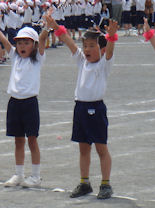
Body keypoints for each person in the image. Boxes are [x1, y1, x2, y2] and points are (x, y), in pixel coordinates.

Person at [44, 14, 118, 199]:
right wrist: (54, 26)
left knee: (101, 148)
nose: (87, 49)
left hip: (96, 109)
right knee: (83, 148)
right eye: (85, 46)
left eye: (92, 46)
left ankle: (106, 184)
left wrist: (111, 37)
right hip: (80, 108)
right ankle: (84, 182)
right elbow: (68, 41)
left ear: (100, 49)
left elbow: (109, 52)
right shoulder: (82, 61)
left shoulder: (103, 64)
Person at [0, 12, 48, 188]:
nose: (22, 46)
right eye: (19, 42)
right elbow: (4, 40)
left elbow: (42, 41)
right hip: (14, 103)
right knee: (18, 140)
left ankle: (35, 176)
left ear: (33, 45)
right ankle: (19, 174)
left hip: (30, 103)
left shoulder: (38, 59)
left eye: (26, 43)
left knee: (32, 140)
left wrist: (47, 28)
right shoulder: (15, 57)